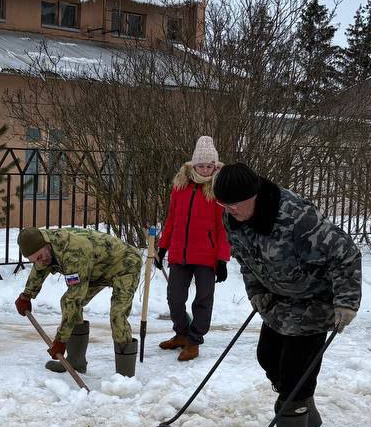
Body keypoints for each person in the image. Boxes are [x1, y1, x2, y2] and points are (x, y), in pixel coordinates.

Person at [213, 163, 362, 427]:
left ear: (253, 195)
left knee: (295, 373)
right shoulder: (234, 218)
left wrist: (346, 302)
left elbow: (346, 253)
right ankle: (304, 410)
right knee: (267, 357)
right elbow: (245, 261)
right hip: (279, 299)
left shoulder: (295, 217)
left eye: (234, 204)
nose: (228, 211)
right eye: (222, 205)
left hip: (315, 301)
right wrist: (257, 293)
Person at [14, 227, 143, 377]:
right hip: (96, 269)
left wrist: (61, 340)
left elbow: (75, 298)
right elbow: (40, 268)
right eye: (35, 259)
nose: (40, 261)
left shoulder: (73, 252)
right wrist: (26, 295)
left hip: (124, 264)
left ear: (46, 245)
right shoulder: (44, 249)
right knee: (66, 302)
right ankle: (76, 362)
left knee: (117, 315)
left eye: (40, 256)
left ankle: (125, 378)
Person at [155, 136, 231, 362]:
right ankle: (181, 333)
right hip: (180, 252)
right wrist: (162, 248)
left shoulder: (218, 189)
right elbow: (172, 220)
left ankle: (194, 340)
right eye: (201, 165)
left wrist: (222, 259)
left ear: (214, 166)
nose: (205, 170)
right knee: (175, 297)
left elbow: (223, 228)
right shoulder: (180, 187)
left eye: (209, 166)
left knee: (203, 299)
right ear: (193, 165)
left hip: (207, 256)